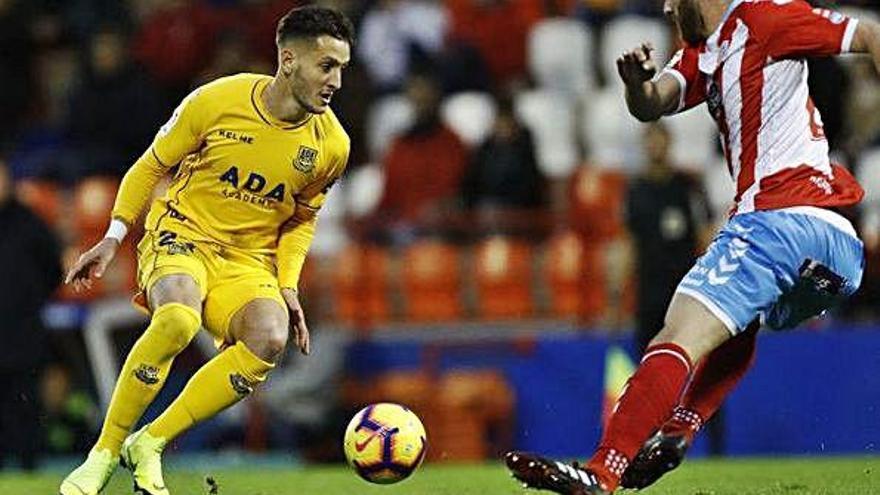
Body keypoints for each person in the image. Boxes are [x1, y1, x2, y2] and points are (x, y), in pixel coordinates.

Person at [505, 1, 880, 493]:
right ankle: (678, 431)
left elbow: (870, 32)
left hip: (776, 220)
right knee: (740, 321)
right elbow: (652, 104)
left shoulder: (763, 17)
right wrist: (636, 84)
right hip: (834, 251)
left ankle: (601, 472)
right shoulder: (705, 53)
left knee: (674, 336)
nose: (665, 7)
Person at [59, 6, 353, 495]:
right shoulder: (217, 100)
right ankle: (104, 453)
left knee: (269, 337)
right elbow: (150, 167)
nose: (337, 81)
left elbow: (302, 220)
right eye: (327, 66)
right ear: (288, 60)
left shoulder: (332, 145)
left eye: (343, 67)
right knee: (177, 319)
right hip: (183, 234)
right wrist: (114, 236)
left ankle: (150, 442)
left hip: (248, 261)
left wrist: (288, 285)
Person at [0, 158, 63, 471]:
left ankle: (29, 465)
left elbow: (54, 268)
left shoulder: (29, 223)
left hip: (23, 333)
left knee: (24, 402)